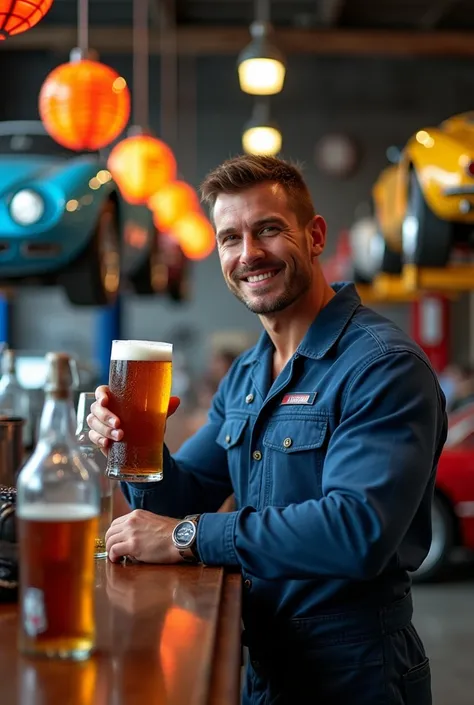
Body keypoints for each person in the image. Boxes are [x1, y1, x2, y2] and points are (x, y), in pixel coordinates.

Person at [88, 155, 447, 705]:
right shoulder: (248, 374)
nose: (248, 253)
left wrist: (188, 537)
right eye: (230, 237)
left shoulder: (381, 366)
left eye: (269, 230)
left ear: (315, 234)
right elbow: (186, 492)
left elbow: (357, 533)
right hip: (266, 664)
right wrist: (136, 444)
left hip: (354, 670)